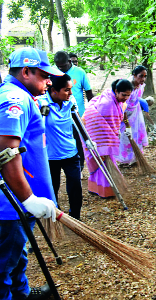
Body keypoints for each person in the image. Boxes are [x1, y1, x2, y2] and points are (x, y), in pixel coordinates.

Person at [0, 47, 63, 300]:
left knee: (17, 255)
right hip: (11, 205)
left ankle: (22, 295)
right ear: (26, 71)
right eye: (44, 75)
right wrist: (28, 199)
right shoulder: (14, 99)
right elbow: (6, 151)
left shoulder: (21, 95)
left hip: (17, 205)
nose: (50, 81)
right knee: (3, 265)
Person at [36, 74, 83, 220]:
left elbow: (77, 121)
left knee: (75, 186)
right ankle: (54, 215)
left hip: (70, 152)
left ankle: (76, 217)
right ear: (54, 91)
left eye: (71, 89)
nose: (71, 93)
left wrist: (86, 142)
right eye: (66, 90)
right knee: (52, 187)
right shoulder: (41, 102)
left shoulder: (70, 101)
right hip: (50, 155)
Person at [83, 79, 133, 198]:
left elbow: (121, 115)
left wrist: (127, 126)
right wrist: (108, 139)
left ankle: (98, 189)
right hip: (99, 139)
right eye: (123, 95)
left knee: (105, 165)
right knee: (103, 165)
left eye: (128, 95)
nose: (126, 97)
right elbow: (98, 123)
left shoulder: (118, 101)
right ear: (116, 91)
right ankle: (106, 191)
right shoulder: (107, 104)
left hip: (108, 137)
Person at [54, 51, 94, 173]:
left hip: (78, 114)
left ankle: (80, 169)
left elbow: (88, 92)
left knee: (79, 141)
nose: (60, 68)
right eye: (58, 66)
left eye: (63, 66)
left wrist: (92, 110)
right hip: (58, 116)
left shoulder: (80, 72)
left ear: (69, 62)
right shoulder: (53, 73)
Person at [116, 66, 149, 166]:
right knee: (125, 137)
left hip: (135, 114)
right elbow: (123, 107)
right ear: (134, 75)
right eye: (140, 76)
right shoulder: (127, 87)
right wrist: (127, 124)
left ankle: (134, 159)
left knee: (136, 135)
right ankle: (124, 160)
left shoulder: (141, 85)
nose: (143, 79)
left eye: (145, 76)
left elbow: (138, 99)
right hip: (124, 115)